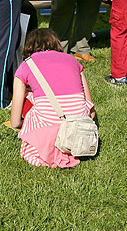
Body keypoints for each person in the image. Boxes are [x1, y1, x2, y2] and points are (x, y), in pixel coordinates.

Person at [10, 28, 95, 168]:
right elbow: (90, 109)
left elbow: (14, 123)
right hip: (80, 129)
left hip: (48, 133)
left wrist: (22, 124)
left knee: (28, 95)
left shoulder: (26, 65)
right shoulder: (73, 60)